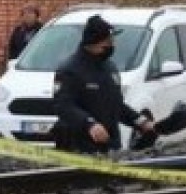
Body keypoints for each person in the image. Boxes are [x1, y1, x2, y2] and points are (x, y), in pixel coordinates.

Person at [52, 13, 157, 155]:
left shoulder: (110, 68)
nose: (112, 45)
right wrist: (89, 124)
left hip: (109, 145)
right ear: (93, 42)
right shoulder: (70, 70)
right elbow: (63, 105)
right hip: (79, 146)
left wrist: (141, 122)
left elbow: (116, 105)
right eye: (107, 42)